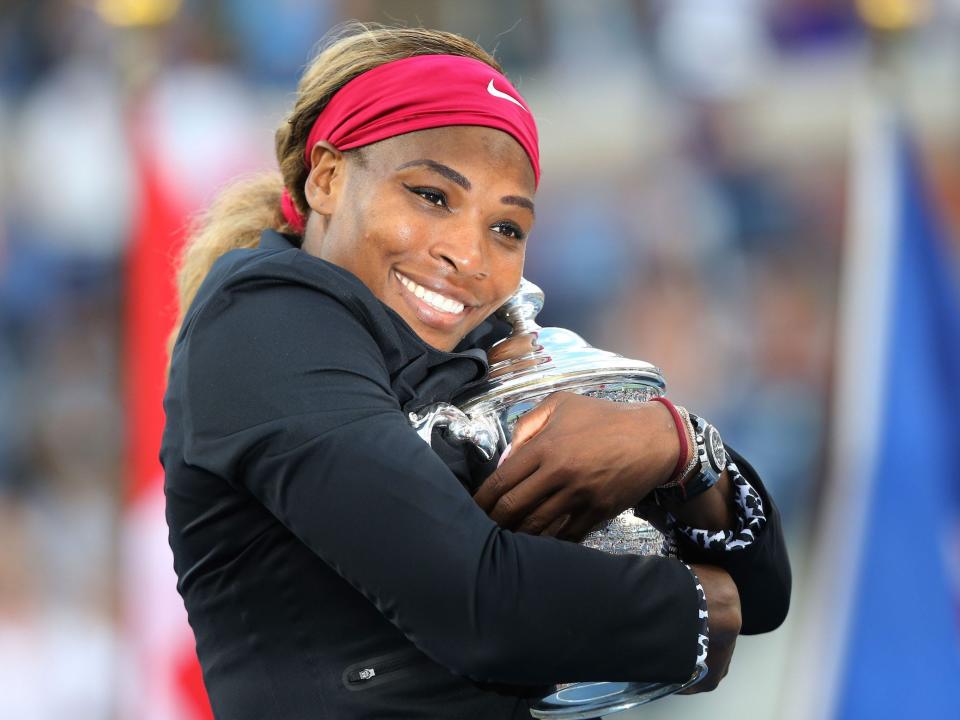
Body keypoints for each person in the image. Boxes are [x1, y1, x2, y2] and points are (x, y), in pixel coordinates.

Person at [161, 24, 790, 720]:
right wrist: (703, 608)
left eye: (506, 228)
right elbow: (477, 604)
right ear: (328, 178)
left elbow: (764, 595)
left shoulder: (478, 351)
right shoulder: (259, 323)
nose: (468, 254)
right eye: (432, 196)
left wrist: (678, 446)